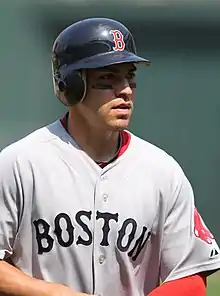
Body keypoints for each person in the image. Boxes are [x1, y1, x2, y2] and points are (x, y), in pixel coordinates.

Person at [0, 17, 219, 296]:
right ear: (71, 85)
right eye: (108, 78)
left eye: (130, 76)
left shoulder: (162, 171)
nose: (125, 89)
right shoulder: (20, 163)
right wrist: (51, 293)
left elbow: (191, 274)